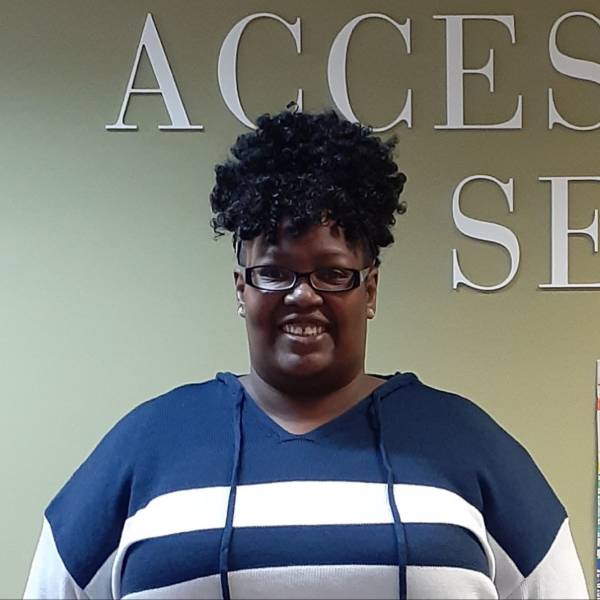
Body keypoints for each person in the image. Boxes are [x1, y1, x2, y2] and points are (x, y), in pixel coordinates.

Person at [24, 109, 588, 599]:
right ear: (240, 289)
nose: (302, 296)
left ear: (369, 289)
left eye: (332, 273)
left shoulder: (466, 444)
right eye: (273, 273)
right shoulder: (146, 447)